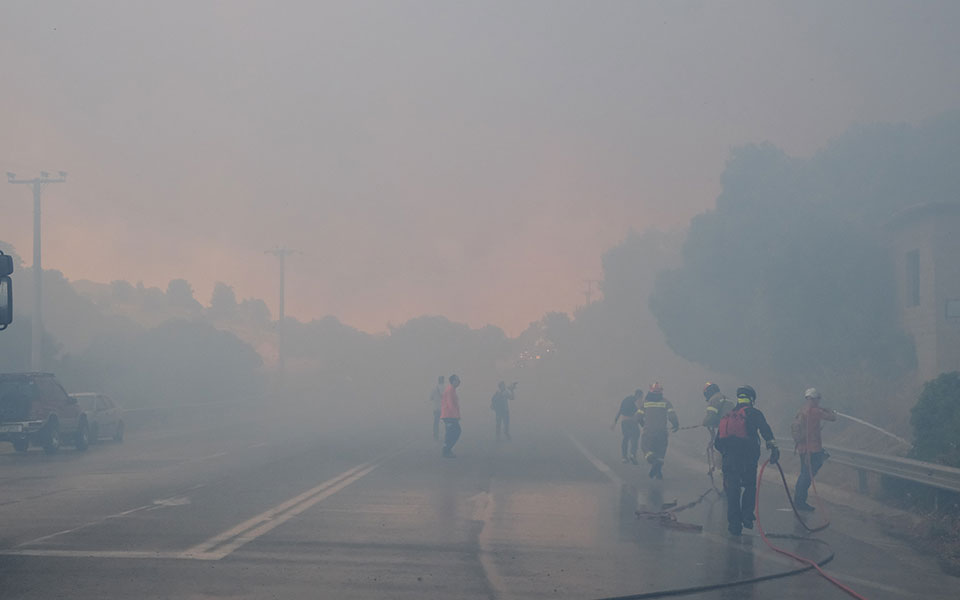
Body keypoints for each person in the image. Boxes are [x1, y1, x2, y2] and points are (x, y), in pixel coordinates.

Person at [714, 385, 780, 536]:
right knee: (750, 486)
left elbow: (718, 443)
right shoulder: (754, 413)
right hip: (748, 460)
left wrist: (727, 453)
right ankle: (747, 517)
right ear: (752, 399)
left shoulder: (728, 415)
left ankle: (734, 525)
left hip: (729, 460)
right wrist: (774, 449)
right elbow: (766, 431)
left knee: (732, 491)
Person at [792, 387, 837, 511]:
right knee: (807, 475)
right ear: (815, 398)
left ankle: (798, 501)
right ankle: (800, 503)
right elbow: (832, 418)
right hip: (812, 449)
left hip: (802, 449)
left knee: (804, 474)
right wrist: (829, 411)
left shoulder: (803, 410)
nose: (819, 401)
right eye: (818, 399)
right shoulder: (814, 411)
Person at [638, 382, 679, 479]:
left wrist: (644, 425)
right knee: (660, 452)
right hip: (662, 432)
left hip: (648, 432)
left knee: (646, 449)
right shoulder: (666, 402)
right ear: (661, 391)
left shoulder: (645, 403)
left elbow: (638, 417)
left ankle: (653, 462)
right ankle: (658, 471)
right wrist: (676, 425)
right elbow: (672, 415)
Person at [702, 382, 734, 473]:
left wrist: (704, 423)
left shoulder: (714, 399)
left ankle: (723, 473)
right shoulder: (728, 399)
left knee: (718, 449)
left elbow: (710, 417)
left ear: (707, 392)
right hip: (736, 431)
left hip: (724, 431)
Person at [611, 390, 642, 464]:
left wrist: (615, 422)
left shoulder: (626, 399)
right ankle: (632, 454)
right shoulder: (637, 401)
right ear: (638, 395)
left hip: (624, 421)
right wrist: (644, 424)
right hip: (632, 422)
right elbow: (639, 414)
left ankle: (624, 457)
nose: (641, 398)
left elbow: (620, 410)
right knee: (635, 437)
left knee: (626, 438)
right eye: (641, 397)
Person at [441, 374, 462, 458]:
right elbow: (450, 404)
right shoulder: (450, 390)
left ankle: (447, 449)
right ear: (453, 381)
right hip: (449, 416)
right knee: (454, 432)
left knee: (453, 432)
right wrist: (456, 415)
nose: (459, 382)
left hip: (450, 415)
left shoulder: (452, 389)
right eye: (457, 380)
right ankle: (446, 450)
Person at [430, 376, 445, 441]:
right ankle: (447, 435)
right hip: (444, 408)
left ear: (438, 380)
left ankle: (436, 435)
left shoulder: (434, 388)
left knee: (436, 422)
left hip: (436, 408)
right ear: (443, 381)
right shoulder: (446, 388)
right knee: (447, 422)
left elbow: (431, 398)